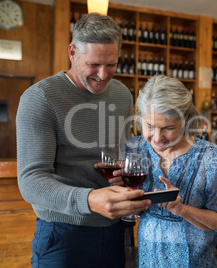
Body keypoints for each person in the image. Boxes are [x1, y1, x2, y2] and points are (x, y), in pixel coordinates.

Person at [16, 13, 151, 267]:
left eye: (111, 65)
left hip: (114, 230)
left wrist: (122, 174)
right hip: (62, 232)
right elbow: (31, 182)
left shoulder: (122, 94)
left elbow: (119, 154)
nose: (103, 75)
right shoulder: (40, 98)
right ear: (72, 52)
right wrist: (89, 200)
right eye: (93, 65)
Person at [123, 75, 217, 267]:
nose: (157, 137)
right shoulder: (136, 147)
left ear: (186, 121)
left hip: (195, 261)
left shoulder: (209, 156)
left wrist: (183, 210)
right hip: (149, 259)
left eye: (168, 128)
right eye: (149, 126)